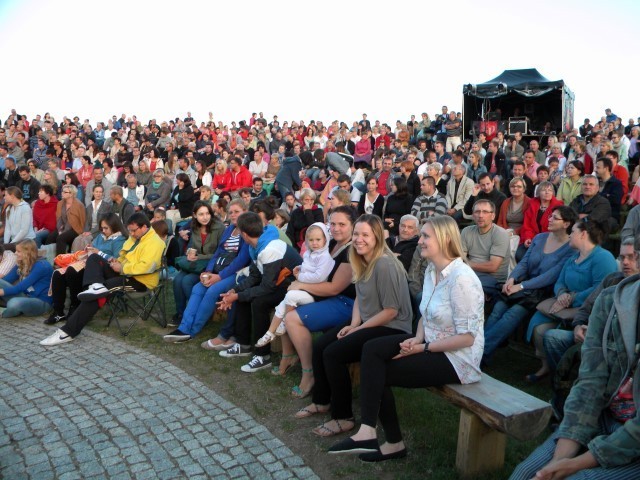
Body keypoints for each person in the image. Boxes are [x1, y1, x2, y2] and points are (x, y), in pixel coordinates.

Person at [327, 216, 484, 460]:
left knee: (379, 372)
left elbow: (467, 338)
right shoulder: (433, 270)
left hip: (457, 359)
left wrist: (424, 346)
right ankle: (368, 431)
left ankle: (392, 442)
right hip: (429, 342)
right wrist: (418, 337)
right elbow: (426, 315)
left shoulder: (462, 279)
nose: (419, 241)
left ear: (445, 239)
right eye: (421, 235)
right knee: (372, 350)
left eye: (425, 236)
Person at [510, 269, 640, 480]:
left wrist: (574, 465)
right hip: (603, 418)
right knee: (523, 475)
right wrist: (556, 464)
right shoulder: (611, 301)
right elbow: (590, 385)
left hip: (634, 440)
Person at [299, 215, 413, 438]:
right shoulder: (361, 258)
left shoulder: (385, 264)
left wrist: (359, 330)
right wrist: (353, 324)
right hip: (370, 321)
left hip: (393, 327)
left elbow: (391, 311)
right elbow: (360, 298)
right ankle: (322, 401)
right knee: (322, 344)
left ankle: (343, 417)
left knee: (334, 354)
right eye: (357, 234)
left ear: (377, 237)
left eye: (365, 235)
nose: (359, 239)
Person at [40, 212, 166, 346]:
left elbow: (147, 267)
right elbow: (124, 254)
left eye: (133, 231)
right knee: (94, 259)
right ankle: (95, 286)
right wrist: (117, 261)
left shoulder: (155, 243)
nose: (131, 234)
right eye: (130, 230)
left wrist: (122, 267)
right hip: (125, 272)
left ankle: (67, 332)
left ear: (144, 227)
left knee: (100, 293)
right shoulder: (136, 237)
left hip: (140, 281)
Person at [525, 219, 618, 382]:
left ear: (583, 234)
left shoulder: (603, 258)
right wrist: (561, 293)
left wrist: (572, 298)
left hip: (586, 311)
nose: (569, 235)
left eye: (572, 232)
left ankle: (564, 374)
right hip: (563, 306)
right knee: (537, 325)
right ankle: (546, 365)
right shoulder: (573, 257)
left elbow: (600, 288)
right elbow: (560, 281)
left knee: (550, 334)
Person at [482, 207, 577, 360]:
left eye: (555, 218)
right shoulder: (540, 238)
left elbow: (550, 276)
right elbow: (524, 263)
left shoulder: (570, 248)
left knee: (513, 314)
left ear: (566, 224)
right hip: (521, 285)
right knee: (497, 309)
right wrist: (512, 278)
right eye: (550, 216)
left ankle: (482, 353)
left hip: (540, 292)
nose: (549, 219)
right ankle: (479, 347)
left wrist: (521, 286)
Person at [216, 212, 303, 373]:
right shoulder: (256, 246)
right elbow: (255, 276)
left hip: (293, 287)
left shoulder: (269, 249)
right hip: (277, 284)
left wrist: (238, 295)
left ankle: (263, 356)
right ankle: (243, 344)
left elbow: (267, 287)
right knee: (244, 296)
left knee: (259, 302)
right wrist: (234, 291)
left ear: (244, 234)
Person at [169, 200, 251, 345]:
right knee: (197, 288)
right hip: (218, 269)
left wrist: (219, 276)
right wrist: (207, 271)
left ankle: (192, 330)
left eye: (236, 211)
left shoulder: (247, 231)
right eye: (230, 212)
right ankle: (183, 327)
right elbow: (218, 252)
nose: (232, 215)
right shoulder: (230, 229)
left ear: (245, 211)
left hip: (235, 273)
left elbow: (241, 259)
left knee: (212, 290)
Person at [255, 223, 334, 347]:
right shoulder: (309, 254)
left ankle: (285, 322)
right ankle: (270, 332)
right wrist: (300, 267)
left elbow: (319, 276)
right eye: (311, 240)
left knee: (291, 295)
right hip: (306, 290)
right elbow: (308, 266)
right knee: (284, 301)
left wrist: (300, 278)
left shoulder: (325, 257)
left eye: (318, 239)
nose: (314, 243)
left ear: (325, 239)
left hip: (317, 294)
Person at [45, 213, 128, 325]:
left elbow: (117, 260)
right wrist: (88, 249)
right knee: (58, 274)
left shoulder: (120, 240)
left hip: (103, 270)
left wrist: (99, 253)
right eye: (101, 228)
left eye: (106, 228)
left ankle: (76, 307)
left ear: (114, 226)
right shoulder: (101, 236)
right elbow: (92, 247)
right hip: (89, 263)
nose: (103, 230)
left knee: (72, 271)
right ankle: (58, 311)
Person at [167, 201, 225, 331]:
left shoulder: (219, 228)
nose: (205, 217)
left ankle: (197, 313)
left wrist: (199, 257)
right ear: (195, 215)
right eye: (201, 214)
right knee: (177, 280)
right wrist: (189, 252)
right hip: (195, 263)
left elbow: (219, 252)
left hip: (210, 264)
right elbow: (192, 245)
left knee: (187, 281)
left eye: (207, 213)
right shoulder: (195, 227)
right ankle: (181, 313)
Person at [461, 199, 510, 301]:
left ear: (493, 216)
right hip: (469, 274)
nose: (480, 215)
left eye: (485, 212)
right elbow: (461, 258)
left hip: (493, 280)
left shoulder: (500, 234)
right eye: (477, 212)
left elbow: (492, 266)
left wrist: (466, 264)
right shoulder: (467, 231)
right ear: (473, 215)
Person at [0, 240, 53, 318]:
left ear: (28, 252)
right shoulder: (21, 263)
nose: (15, 253)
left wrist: (1, 292)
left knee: (14, 303)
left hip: (41, 301)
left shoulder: (42, 266)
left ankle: (3, 314)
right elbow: (6, 281)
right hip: (25, 295)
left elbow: (19, 288)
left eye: (18, 251)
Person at [517, 181, 564, 261]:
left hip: (549, 240)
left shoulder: (558, 206)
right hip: (532, 239)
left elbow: (557, 229)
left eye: (549, 190)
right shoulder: (532, 205)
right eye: (544, 190)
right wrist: (528, 238)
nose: (547, 192)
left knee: (539, 259)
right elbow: (527, 225)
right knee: (519, 255)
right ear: (538, 192)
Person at [45, 184, 86, 255]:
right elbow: (59, 218)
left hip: (75, 229)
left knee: (61, 238)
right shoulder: (60, 203)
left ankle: (59, 261)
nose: (62, 193)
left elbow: (80, 220)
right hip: (62, 226)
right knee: (50, 237)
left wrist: (63, 232)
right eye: (62, 191)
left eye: (65, 192)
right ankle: (48, 258)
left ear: (71, 194)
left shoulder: (79, 205)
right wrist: (60, 229)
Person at [3, 186, 36, 251]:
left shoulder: (25, 208)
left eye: (6, 195)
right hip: (15, 241)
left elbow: (24, 230)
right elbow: (7, 229)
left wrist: (10, 244)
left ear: (12, 196)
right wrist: (6, 244)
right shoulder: (9, 209)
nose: (4, 197)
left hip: (26, 241)